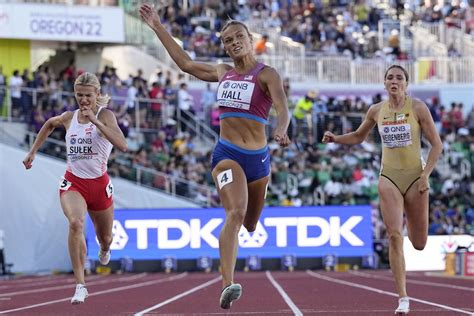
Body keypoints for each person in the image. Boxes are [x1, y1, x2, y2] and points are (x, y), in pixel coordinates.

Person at [140, 4, 290, 309]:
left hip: (258, 160)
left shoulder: (266, 74)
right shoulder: (222, 71)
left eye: (238, 37)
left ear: (250, 40)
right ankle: (227, 284)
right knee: (234, 213)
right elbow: (184, 63)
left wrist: (281, 129)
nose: (233, 43)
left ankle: (236, 254)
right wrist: (157, 26)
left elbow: (282, 107)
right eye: (227, 40)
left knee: (249, 224)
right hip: (226, 154)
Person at [322, 65, 442, 315]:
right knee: (394, 235)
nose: (394, 81)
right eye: (390, 77)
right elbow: (357, 136)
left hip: (416, 179)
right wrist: (336, 139)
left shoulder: (418, 108)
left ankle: (412, 225)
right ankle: (403, 298)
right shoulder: (376, 110)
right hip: (388, 177)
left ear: (406, 84)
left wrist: (425, 175)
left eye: (399, 77)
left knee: (419, 243)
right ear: (385, 84)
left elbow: (436, 145)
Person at [22, 72, 128, 304]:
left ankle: (104, 249)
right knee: (75, 223)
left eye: (88, 95)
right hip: (74, 182)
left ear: (97, 94)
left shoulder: (106, 115)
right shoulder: (69, 117)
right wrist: (33, 152)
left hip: (99, 185)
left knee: (106, 238)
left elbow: (123, 145)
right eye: (79, 95)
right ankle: (80, 284)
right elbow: (49, 124)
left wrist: (96, 122)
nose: (84, 100)